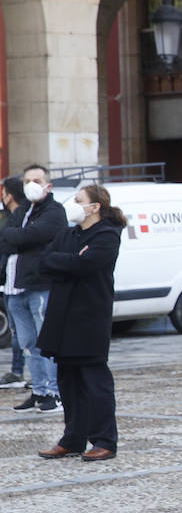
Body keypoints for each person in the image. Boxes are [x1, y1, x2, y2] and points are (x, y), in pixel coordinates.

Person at [35, 185, 124, 462]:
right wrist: (71, 260)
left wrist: (68, 262)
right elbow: (45, 261)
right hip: (63, 318)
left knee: (94, 381)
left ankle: (105, 440)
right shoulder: (69, 233)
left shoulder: (106, 235)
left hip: (89, 318)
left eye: (79, 200)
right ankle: (73, 438)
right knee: (68, 382)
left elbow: (86, 265)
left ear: (94, 206)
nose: (73, 205)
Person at [3, 165, 66, 413]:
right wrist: (17, 236)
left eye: (37, 180)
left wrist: (17, 237)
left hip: (40, 284)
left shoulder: (54, 211)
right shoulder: (22, 211)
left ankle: (54, 392)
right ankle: (38, 390)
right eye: (28, 180)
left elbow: (33, 236)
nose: (31, 184)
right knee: (28, 342)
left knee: (46, 341)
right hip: (16, 286)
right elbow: (6, 235)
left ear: (48, 185)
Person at [0, 176, 29, 391]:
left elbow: (10, 245)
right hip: (9, 281)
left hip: (22, 282)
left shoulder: (22, 216)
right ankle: (17, 371)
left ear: (9, 195)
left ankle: (23, 373)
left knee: (24, 332)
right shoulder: (11, 216)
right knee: (18, 331)